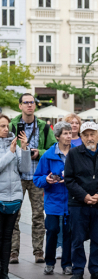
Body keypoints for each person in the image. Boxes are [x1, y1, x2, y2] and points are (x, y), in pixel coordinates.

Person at [64, 121, 98, 279]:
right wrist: (84, 196)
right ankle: (78, 270)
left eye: (92, 134)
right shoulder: (73, 154)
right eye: (86, 135)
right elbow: (69, 179)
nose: (89, 138)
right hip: (78, 203)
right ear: (80, 137)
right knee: (77, 238)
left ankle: (96, 269)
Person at [10, 93, 55, 265]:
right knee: (13, 215)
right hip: (17, 177)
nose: (29, 105)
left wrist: (39, 153)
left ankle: (38, 252)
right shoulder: (12, 125)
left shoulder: (44, 126)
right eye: (26, 102)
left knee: (38, 216)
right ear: (20, 105)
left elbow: (52, 149)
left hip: (37, 177)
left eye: (32, 102)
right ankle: (13, 252)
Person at [33, 121, 73, 276]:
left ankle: (67, 264)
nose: (69, 136)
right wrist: (47, 180)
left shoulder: (76, 153)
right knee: (52, 230)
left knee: (69, 232)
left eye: (70, 133)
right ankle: (49, 262)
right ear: (57, 136)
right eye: (65, 133)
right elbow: (37, 179)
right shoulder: (48, 156)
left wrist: (69, 179)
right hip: (53, 200)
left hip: (71, 200)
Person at [0, 115, 25, 279]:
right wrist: (10, 151)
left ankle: (5, 274)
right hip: (0, 197)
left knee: (8, 237)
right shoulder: (10, 147)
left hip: (14, 197)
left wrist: (23, 149)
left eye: (7, 126)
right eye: (2, 126)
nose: (6, 129)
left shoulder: (14, 144)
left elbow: (24, 169)